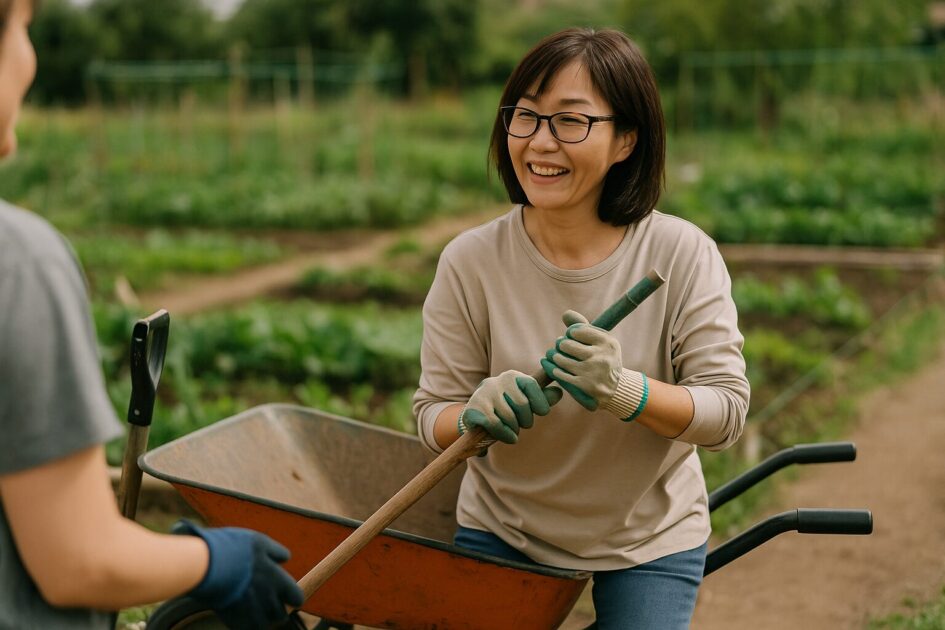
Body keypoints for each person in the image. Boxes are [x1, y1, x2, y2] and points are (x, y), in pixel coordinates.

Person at [413, 28, 749, 629]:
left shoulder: (680, 253)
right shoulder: (470, 261)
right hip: (505, 529)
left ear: (625, 140)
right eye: (526, 117)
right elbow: (431, 412)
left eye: (570, 122)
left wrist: (626, 391)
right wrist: (468, 415)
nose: (540, 142)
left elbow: (725, 413)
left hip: (646, 535)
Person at [0, 1, 304, 628]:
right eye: (24, 27)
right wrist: (215, 560)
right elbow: (77, 561)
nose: (30, 57)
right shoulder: (19, 263)